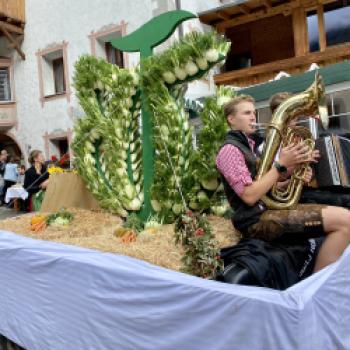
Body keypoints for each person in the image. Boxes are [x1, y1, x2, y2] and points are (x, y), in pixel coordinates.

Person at [216, 94, 350, 272]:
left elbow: (265, 189)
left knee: (346, 217)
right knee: (346, 221)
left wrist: (293, 177)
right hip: (255, 221)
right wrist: (281, 166)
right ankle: (316, 290)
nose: (253, 117)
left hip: (268, 212)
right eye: (246, 113)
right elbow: (249, 196)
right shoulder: (229, 150)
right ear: (231, 119)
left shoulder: (249, 147)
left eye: (254, 113)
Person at [269, 92, 350, 208]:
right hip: (290, 196)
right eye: (291, 112)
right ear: (278, 114)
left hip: (308, 189)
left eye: (296, 112)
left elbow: (307, 176)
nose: (296, 116)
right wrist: (299, 164)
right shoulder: (268, 146)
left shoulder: (299, 137)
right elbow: (275, 179)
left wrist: (311, 168)